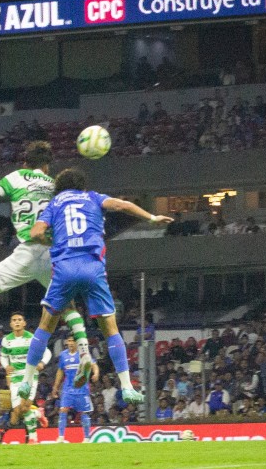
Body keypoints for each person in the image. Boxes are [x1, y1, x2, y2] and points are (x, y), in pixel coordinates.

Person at [16, 168, 173, 405]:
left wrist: (52, 240)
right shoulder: (93, 197)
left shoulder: (55, 203)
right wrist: (152, 218)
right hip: (92, 268)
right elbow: (122, 205)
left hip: (65, 268)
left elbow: (36, 231)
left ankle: (27, 382)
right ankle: (128, 387)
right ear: (82, 185)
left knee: (45, 325)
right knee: (110, 328)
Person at [0, 142, 92, 374]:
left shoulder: (17, 177)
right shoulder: (55, 186)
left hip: (28, 251)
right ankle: (85, 355)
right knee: (68, 306)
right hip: (53, 253)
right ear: (47, 167)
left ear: (25, 163)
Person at [0, 311, 51, 444]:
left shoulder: (32, 338)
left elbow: (47, 352)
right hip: (15, 377)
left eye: (19, 320)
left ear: (24, 323)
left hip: (30, 376)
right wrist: (6, 366)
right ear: (11, 324)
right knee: (18, 410)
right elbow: (3, 356)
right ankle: (38, 414)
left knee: (25, 406)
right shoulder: (7, 340)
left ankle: (33, 438)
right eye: (14, 320)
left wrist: (42, 363)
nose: (17, 322)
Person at [52, 335, 99, 443]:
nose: (71, 343)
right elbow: (60, 371)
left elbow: (94, 365)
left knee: (84, 413)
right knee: (63, 410)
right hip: (68, 389)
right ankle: (61, 437)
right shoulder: (63, 355)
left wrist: (96, 373)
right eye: (69, 341)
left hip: (82, 389)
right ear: (66, 342)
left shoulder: (83, 354)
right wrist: (56, 386)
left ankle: (86, 438)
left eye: (73, 341)